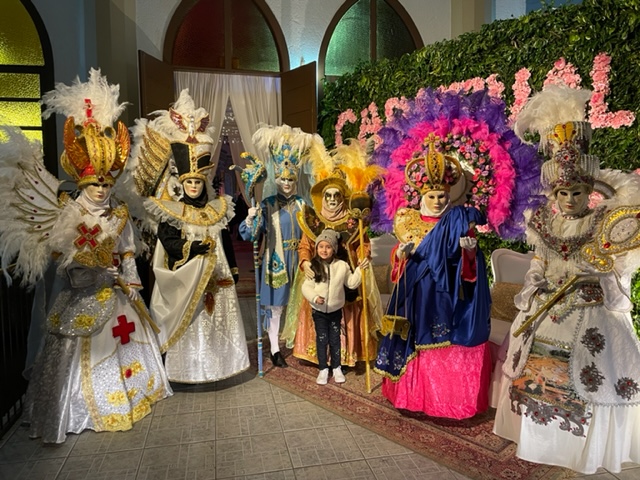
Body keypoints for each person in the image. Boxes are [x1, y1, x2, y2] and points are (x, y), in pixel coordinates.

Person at [0, 69, 172, 443]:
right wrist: (88, 274)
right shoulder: (68, 214)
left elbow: (127, 252)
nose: (101, 189)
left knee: (127, 344)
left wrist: (130, 279)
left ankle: (129, 395)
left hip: (121, 299)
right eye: (95, 183)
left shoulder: (121, 214)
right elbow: (62, 261)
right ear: (82, 181)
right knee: (73, 359)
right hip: (80, 299)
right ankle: (75, 407)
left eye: (107, 183)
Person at [492, 88, 640, 473]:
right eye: (563, 192)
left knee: (594, 375)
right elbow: (539, 262)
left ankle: (583, 448)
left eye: (577, 192)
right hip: (550, 307)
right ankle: (545, 441)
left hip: (592, 309)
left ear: (589, 193)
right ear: (554, 194)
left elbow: (616, 263)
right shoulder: (543, 223)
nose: (569, 199)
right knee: (540, 375)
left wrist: (600, 271)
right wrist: (537, 284)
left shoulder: (600, 225)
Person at [373, 145, 493, 419]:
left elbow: (470, 264)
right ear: (422, 195)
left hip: (449, 294)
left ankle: (446, 403)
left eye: (441, 195)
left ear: (448, 195)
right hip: (417, 295)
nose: (437, 201)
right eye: (432, 195)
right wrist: (399, 255)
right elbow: (400, 261)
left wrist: (470, 251)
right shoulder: (408, 220)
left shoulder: (460, 220)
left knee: (446, 342)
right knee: (416, 342)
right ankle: (413, 399)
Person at [146, 139, 250, 384]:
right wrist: (191, 249)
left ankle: (220, 368)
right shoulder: (173, 211)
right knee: (192, 324)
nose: (193, 186)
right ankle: (188, 370)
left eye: (197, 182)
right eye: (189, 182)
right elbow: (168, 240)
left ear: (204, 184)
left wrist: (233, 270)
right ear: (183, 184)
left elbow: (225, 241)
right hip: (189, 278)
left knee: (218, 324)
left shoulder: (218, 209)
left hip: (218, 279)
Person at [283, 171, 382, 369]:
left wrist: (363, 254)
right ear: (322, 197)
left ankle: (346, 356)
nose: (332, 200)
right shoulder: (314, 220)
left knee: (347, 310)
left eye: (336, 195)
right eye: (328, 196)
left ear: (342, 197)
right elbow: (305, 246)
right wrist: (305, 263)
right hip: (319, 275)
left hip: (346, 274)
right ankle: (320, 355)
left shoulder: (354, 221)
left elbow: (363, 243)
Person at [239, 124, 315, 368]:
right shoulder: (268, 204)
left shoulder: (304, 204)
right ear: (276, 178)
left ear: (295, 178)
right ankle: (274, 349)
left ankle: (302, 345)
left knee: (303, 305)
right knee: (276, 308)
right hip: (277, 260)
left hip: (301, 258)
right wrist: (251, 217)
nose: (286, 183)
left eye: (290, 179)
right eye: (282, 178)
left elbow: (313, 232)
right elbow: (249, 235)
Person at [301, 228, 369, 384]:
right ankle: (323, 368)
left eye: (328, 247)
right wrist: (315, 297)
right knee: (322, 339)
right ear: (317, 248)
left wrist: (360, 270)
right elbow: (306, 287)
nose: (324, 250)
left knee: (335, 339)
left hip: (336, 310)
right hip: (319, 311)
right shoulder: (314, 265)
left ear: (334, 249)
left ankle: (336, 367)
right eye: (321, 247)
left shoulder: (342, 266)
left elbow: (351, 283)